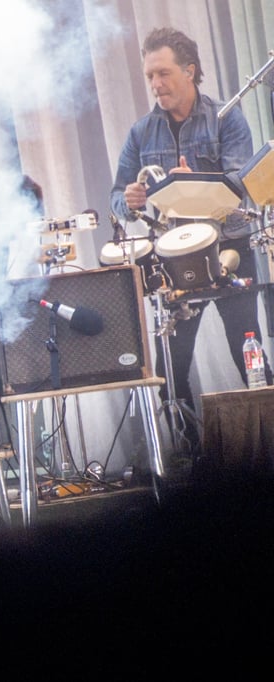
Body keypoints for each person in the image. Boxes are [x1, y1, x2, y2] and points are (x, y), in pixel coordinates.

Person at [109, 27, 271, 447]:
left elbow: (241, 182)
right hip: (173, 258)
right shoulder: (140, 132)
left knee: (247, 352)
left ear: (189, 71)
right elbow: (115, 197)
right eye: (149, 76)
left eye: (162, 73)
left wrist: (192, 185)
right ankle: (191, 457)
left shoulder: (225, 116)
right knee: (172, 366)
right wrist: (129, 200)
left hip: (229, 245)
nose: (155, 84)